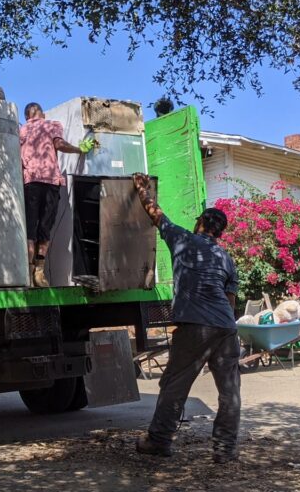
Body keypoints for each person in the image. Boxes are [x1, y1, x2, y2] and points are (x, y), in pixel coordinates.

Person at [130, 172, 241, 464]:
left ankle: (159, 440)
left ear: (200, 223)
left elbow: (155, 214)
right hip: (226, 329)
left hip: (195, 328)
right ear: (220, 233)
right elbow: (230, 302)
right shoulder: (226, 258)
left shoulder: (182, 239)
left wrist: (143, 190)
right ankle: (225, 450)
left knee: (174, 386)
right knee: (230, 392)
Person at [19, 102, 96, 287]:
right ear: (42, 113)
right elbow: (59, 144)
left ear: (27, 116)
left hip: (30, 183)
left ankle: (28, 274)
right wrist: (80, 149)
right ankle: (39, 272)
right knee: (44, 230)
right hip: (51, 183)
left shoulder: (21, 131)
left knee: (30, 230)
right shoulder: (52, 124)